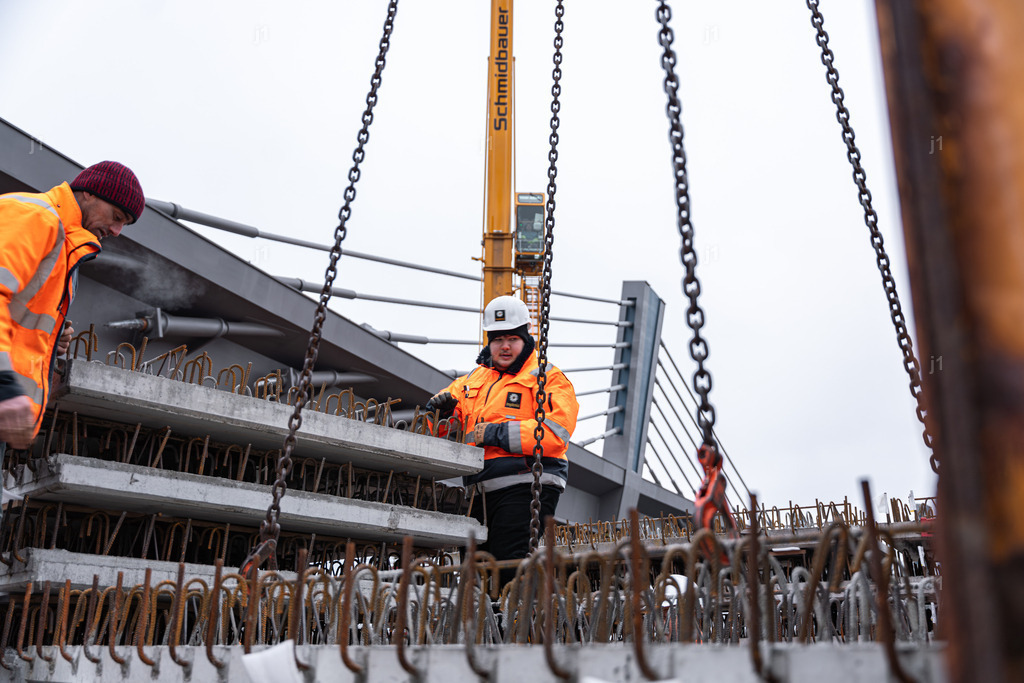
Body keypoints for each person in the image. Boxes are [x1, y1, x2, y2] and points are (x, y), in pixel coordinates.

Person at [0, 161, 145, 478]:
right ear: (90, 194)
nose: (117, 231)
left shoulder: (65, 243)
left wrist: (52, 334)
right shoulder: (35, 218)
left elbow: (15, 311)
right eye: (117, 217)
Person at [428, 295, 578, 582]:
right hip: (480, 490)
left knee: (506, 573)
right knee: (477, 578)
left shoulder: (547, 377)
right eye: (497, 339)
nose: (505, 346)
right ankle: (490, 624)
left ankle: (508, 624)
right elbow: (439, 432)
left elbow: (556, 432)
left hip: (527, 484)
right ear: (489, 341)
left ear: (526, 339)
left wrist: (497, 433)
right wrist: (440, 416)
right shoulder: (472, 381)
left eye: (512, 338)